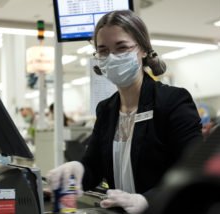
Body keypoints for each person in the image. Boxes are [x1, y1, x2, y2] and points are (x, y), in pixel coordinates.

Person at [47, 10, 202, 214]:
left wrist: (146, 201)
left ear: (144, 50)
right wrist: (77, 169)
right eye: (103, 51)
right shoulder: (106, 109)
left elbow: (194, 172)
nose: (112, 58)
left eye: (121, 48)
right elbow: (94, 167)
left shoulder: (172, 101)